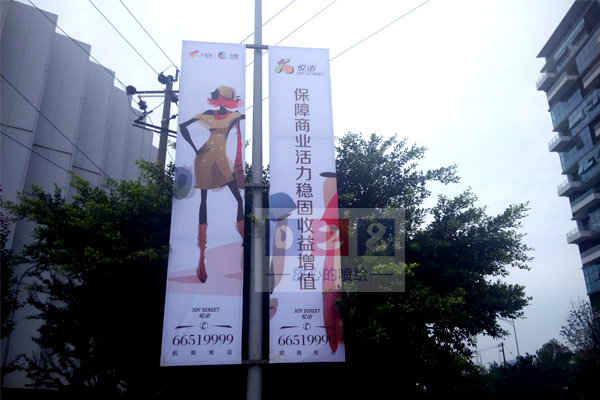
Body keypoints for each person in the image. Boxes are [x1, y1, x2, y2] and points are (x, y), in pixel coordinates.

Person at [179, 86, 245, 283]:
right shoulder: (209, 114)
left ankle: (243, 241)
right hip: (205, 159)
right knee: (204, 200)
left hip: (221, 160)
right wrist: (195, 149)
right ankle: (201, 256)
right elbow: (183, 126)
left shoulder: (234, 116)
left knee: (238, 198)